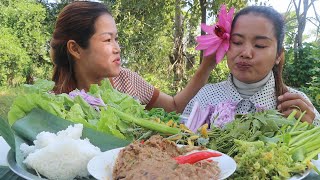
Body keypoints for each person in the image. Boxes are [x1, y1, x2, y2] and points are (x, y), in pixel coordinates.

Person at [50, 1, 216, 113]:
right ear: (75, 49)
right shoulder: (54, 105)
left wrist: (207, 65)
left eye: (116, 39)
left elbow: (175, 106)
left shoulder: (127, 81)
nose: (117, 48)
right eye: (108, 39)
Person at [183, 6, 320, 125]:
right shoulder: (206, 97)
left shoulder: (297, 105)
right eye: (237, 42)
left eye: (260, 45)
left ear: (278, 55)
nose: (246, 53)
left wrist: (310, 129)